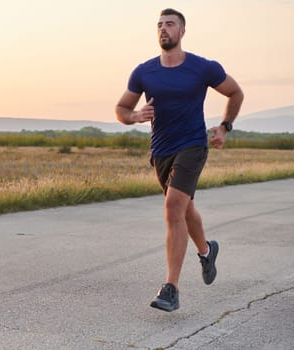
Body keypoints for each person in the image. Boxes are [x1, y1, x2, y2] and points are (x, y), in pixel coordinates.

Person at [115, 8, 244, 312]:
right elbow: (121, 108)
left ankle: (170, 288)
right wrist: (134, 116)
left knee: (173, 206)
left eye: (170, 24)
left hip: (193, 145)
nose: (163, 29)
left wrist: (225, 127)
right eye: (159, 25)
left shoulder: (202, 67)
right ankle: (206, 250)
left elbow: (235, 92)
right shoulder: (144, 71)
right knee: (185, 210)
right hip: (161, 151)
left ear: (182, 32)